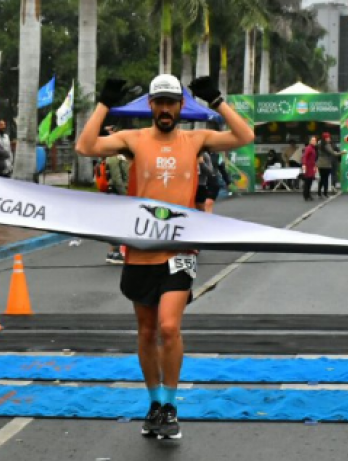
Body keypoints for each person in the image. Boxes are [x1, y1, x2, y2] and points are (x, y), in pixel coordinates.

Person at [76, 75, 253, 440]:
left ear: (180, 107)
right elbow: (85, 146)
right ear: (151, 106)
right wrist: (104, 104)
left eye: (173, 102)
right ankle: (154, 403)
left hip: (181, 251)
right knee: (146, 332)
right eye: (160, 102)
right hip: (140, 250)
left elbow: (245, 137)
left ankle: (171, 406)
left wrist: (217, 101)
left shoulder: (196, 138)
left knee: (169, 328)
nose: (166, 109)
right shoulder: (134, 140)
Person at [316, 132, 340, 198]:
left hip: (320, 163)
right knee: (326, 179)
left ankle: (319, 192)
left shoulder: (319, 144)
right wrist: (341, 153)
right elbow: (333, 153)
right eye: (328, 137)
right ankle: (325, 193)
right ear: (325, 138)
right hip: (326, 164)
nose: (329, 138)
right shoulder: (327, 145)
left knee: (322, 178)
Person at [302, 137, 318, 201]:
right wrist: (304, 164)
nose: (314, 141)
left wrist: (315, 166)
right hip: (308, 167)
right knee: (307, 181)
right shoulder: (308, 148)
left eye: (315, 140)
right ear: (310, 141)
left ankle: (308, 194)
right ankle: (306, 195)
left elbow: (313, 159)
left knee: (310, 181)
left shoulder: (313, 148)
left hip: (311, 167)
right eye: (313, 140)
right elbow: (305, 156)